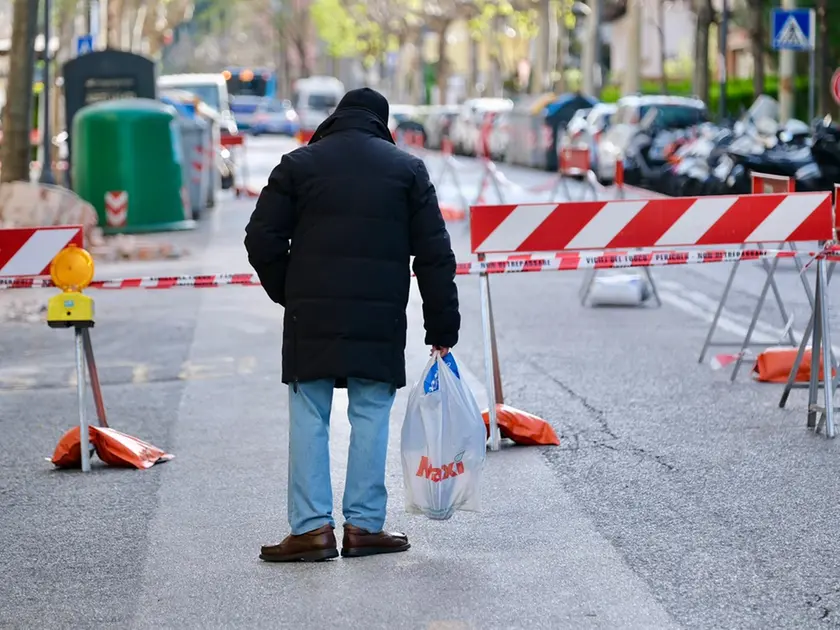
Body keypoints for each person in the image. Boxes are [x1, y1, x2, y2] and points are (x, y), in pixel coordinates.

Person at [244, 87, 460, 563]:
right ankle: (363, 526)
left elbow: (260, 238)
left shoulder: (299, 165)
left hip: (311, 316)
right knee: (370, 417)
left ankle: (311, 530)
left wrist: (291, 292)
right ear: (382, 123)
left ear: (336, 118)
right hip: (378, 318)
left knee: (309, 417)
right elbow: (435, 256)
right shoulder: (406, 170)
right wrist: (442, 327)